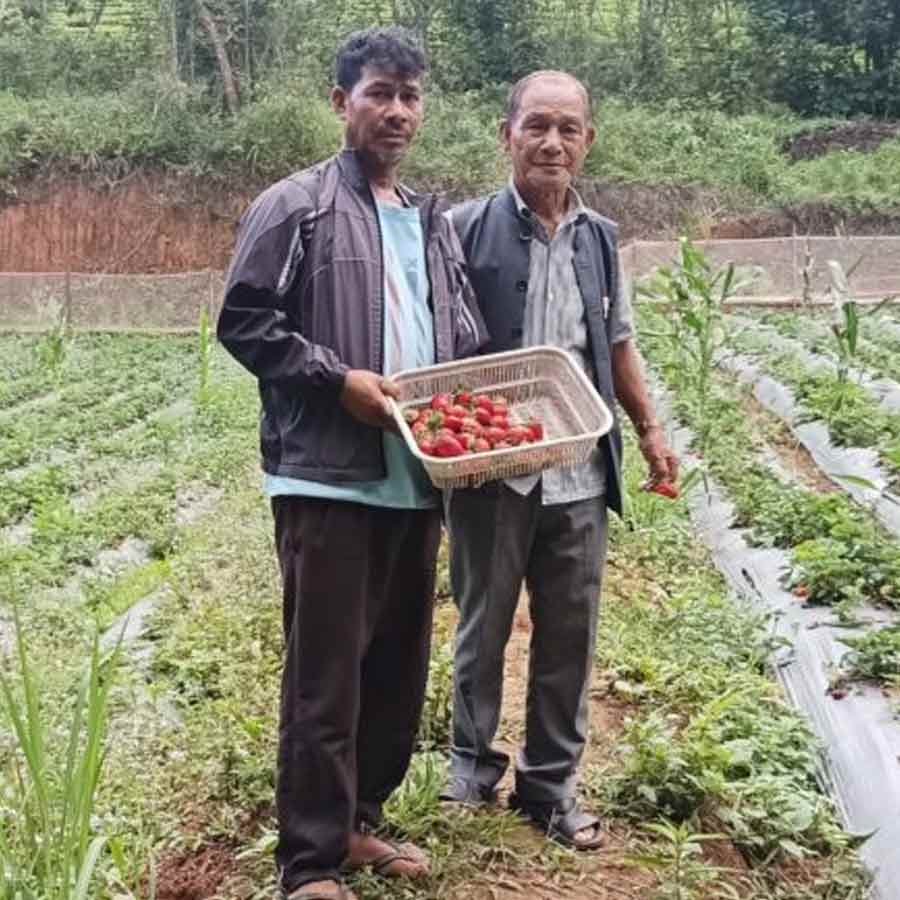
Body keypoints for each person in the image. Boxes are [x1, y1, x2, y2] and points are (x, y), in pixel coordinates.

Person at [217, 27, 486, 900]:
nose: (397, 110)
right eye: (379, 92)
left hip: (414, 480)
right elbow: (246, 321)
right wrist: (338, 383)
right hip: (328, 476)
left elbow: (465, 340)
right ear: (341, 103)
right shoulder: (293, 206)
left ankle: (359, 821)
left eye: (410, 94)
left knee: (395, 669)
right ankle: (307, 862)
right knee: (324, 676)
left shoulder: (430, 219)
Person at [440, 70, 679, 850]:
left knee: (570, 632)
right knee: (483, 621)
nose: (551, 142)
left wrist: (648, 429)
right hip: (490, 466)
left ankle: (549, 787)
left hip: (578, 464)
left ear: (587, 141)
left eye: (567, 128)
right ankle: (471, 773)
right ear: (506, 133)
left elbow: (616, 341)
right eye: (536, 125)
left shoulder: (600, 240)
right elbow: (437, 344)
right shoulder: (463, 227)